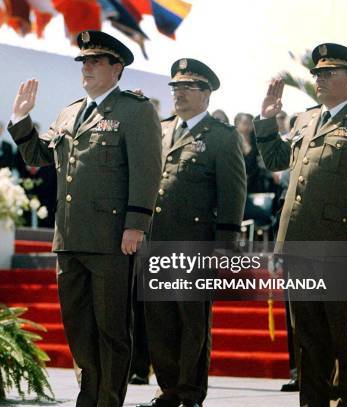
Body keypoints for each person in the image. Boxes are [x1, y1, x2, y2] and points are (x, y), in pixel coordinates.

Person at [8, 30, 162, 407]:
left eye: (96, 61)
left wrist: (136, 224)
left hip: (111, 238)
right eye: (84, 62)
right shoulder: (70, 112)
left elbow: (146, 170)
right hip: (70, 238)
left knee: (111, 329)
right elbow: (39, 156)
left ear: (117, 69)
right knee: (78, 328)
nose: (87, 67)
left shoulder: (134, 111)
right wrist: (21, 118)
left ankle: (108, 400)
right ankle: (88, 396)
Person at [254, 42, 347, 407]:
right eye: (317, 73)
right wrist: (266, 119)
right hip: (299, 247)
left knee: (345, 337)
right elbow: (277, 160)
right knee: (308, 339)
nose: (320, 79)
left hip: (341, 248)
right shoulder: (306, 119)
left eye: (329, 73)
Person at [137, 59, 246, 407]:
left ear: (206, 94)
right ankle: (168, 389)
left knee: (192, 321)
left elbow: (233, 194)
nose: (178, 93)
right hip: (157, 241)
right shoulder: (163, 129)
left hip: (195, 243)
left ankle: (190, 392)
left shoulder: (222, 137)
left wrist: (225, 247)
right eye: (175, 87)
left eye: (187, 87)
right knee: (160, 320)